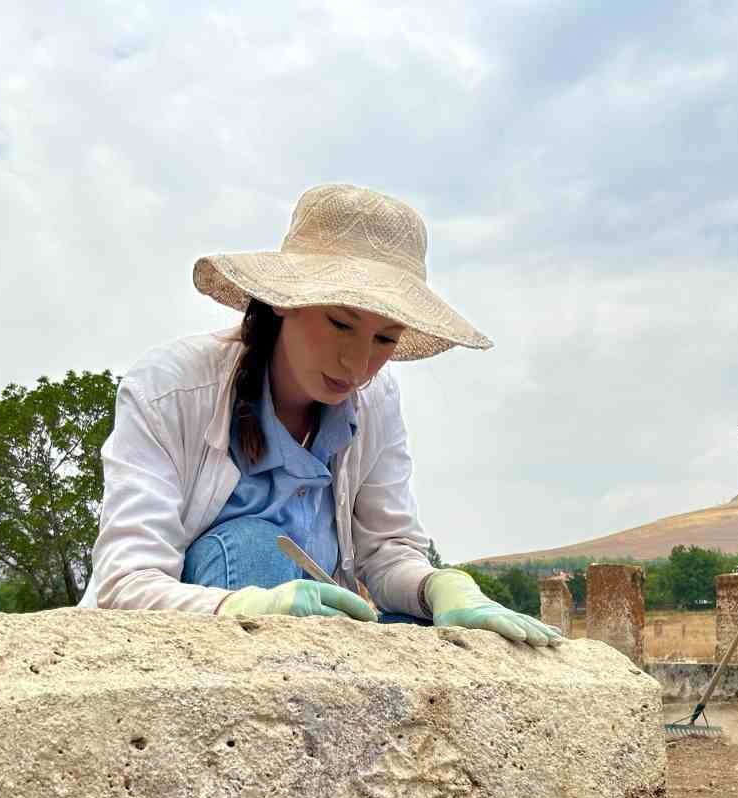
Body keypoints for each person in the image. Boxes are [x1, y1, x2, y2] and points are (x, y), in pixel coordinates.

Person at [80, 183, 560, 647]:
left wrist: (436, 587)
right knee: (253, 545)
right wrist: (248, 607)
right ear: (285, 303)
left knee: (418, 626)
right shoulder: (171, 387)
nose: (357, 365)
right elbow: (127, 580)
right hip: (188, 642)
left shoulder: (376, 400)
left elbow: (386, 553)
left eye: (385, 339)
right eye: (339, 323)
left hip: (317, 642)